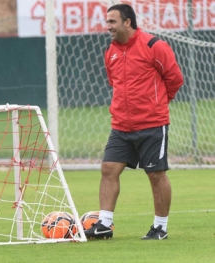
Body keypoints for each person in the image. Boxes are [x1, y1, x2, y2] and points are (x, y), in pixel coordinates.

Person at [84, 4, 184, 240]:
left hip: (152, 124)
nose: (107, 26)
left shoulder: (153, 46)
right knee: (108, 169)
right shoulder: (110, 52)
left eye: (112, 22)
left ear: (127, 22)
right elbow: (114, 83)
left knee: (156, 175)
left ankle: (160, 227)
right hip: (121, 125)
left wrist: (157, 104)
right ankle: (104, 224)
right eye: (107, 22)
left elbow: (175, 79)